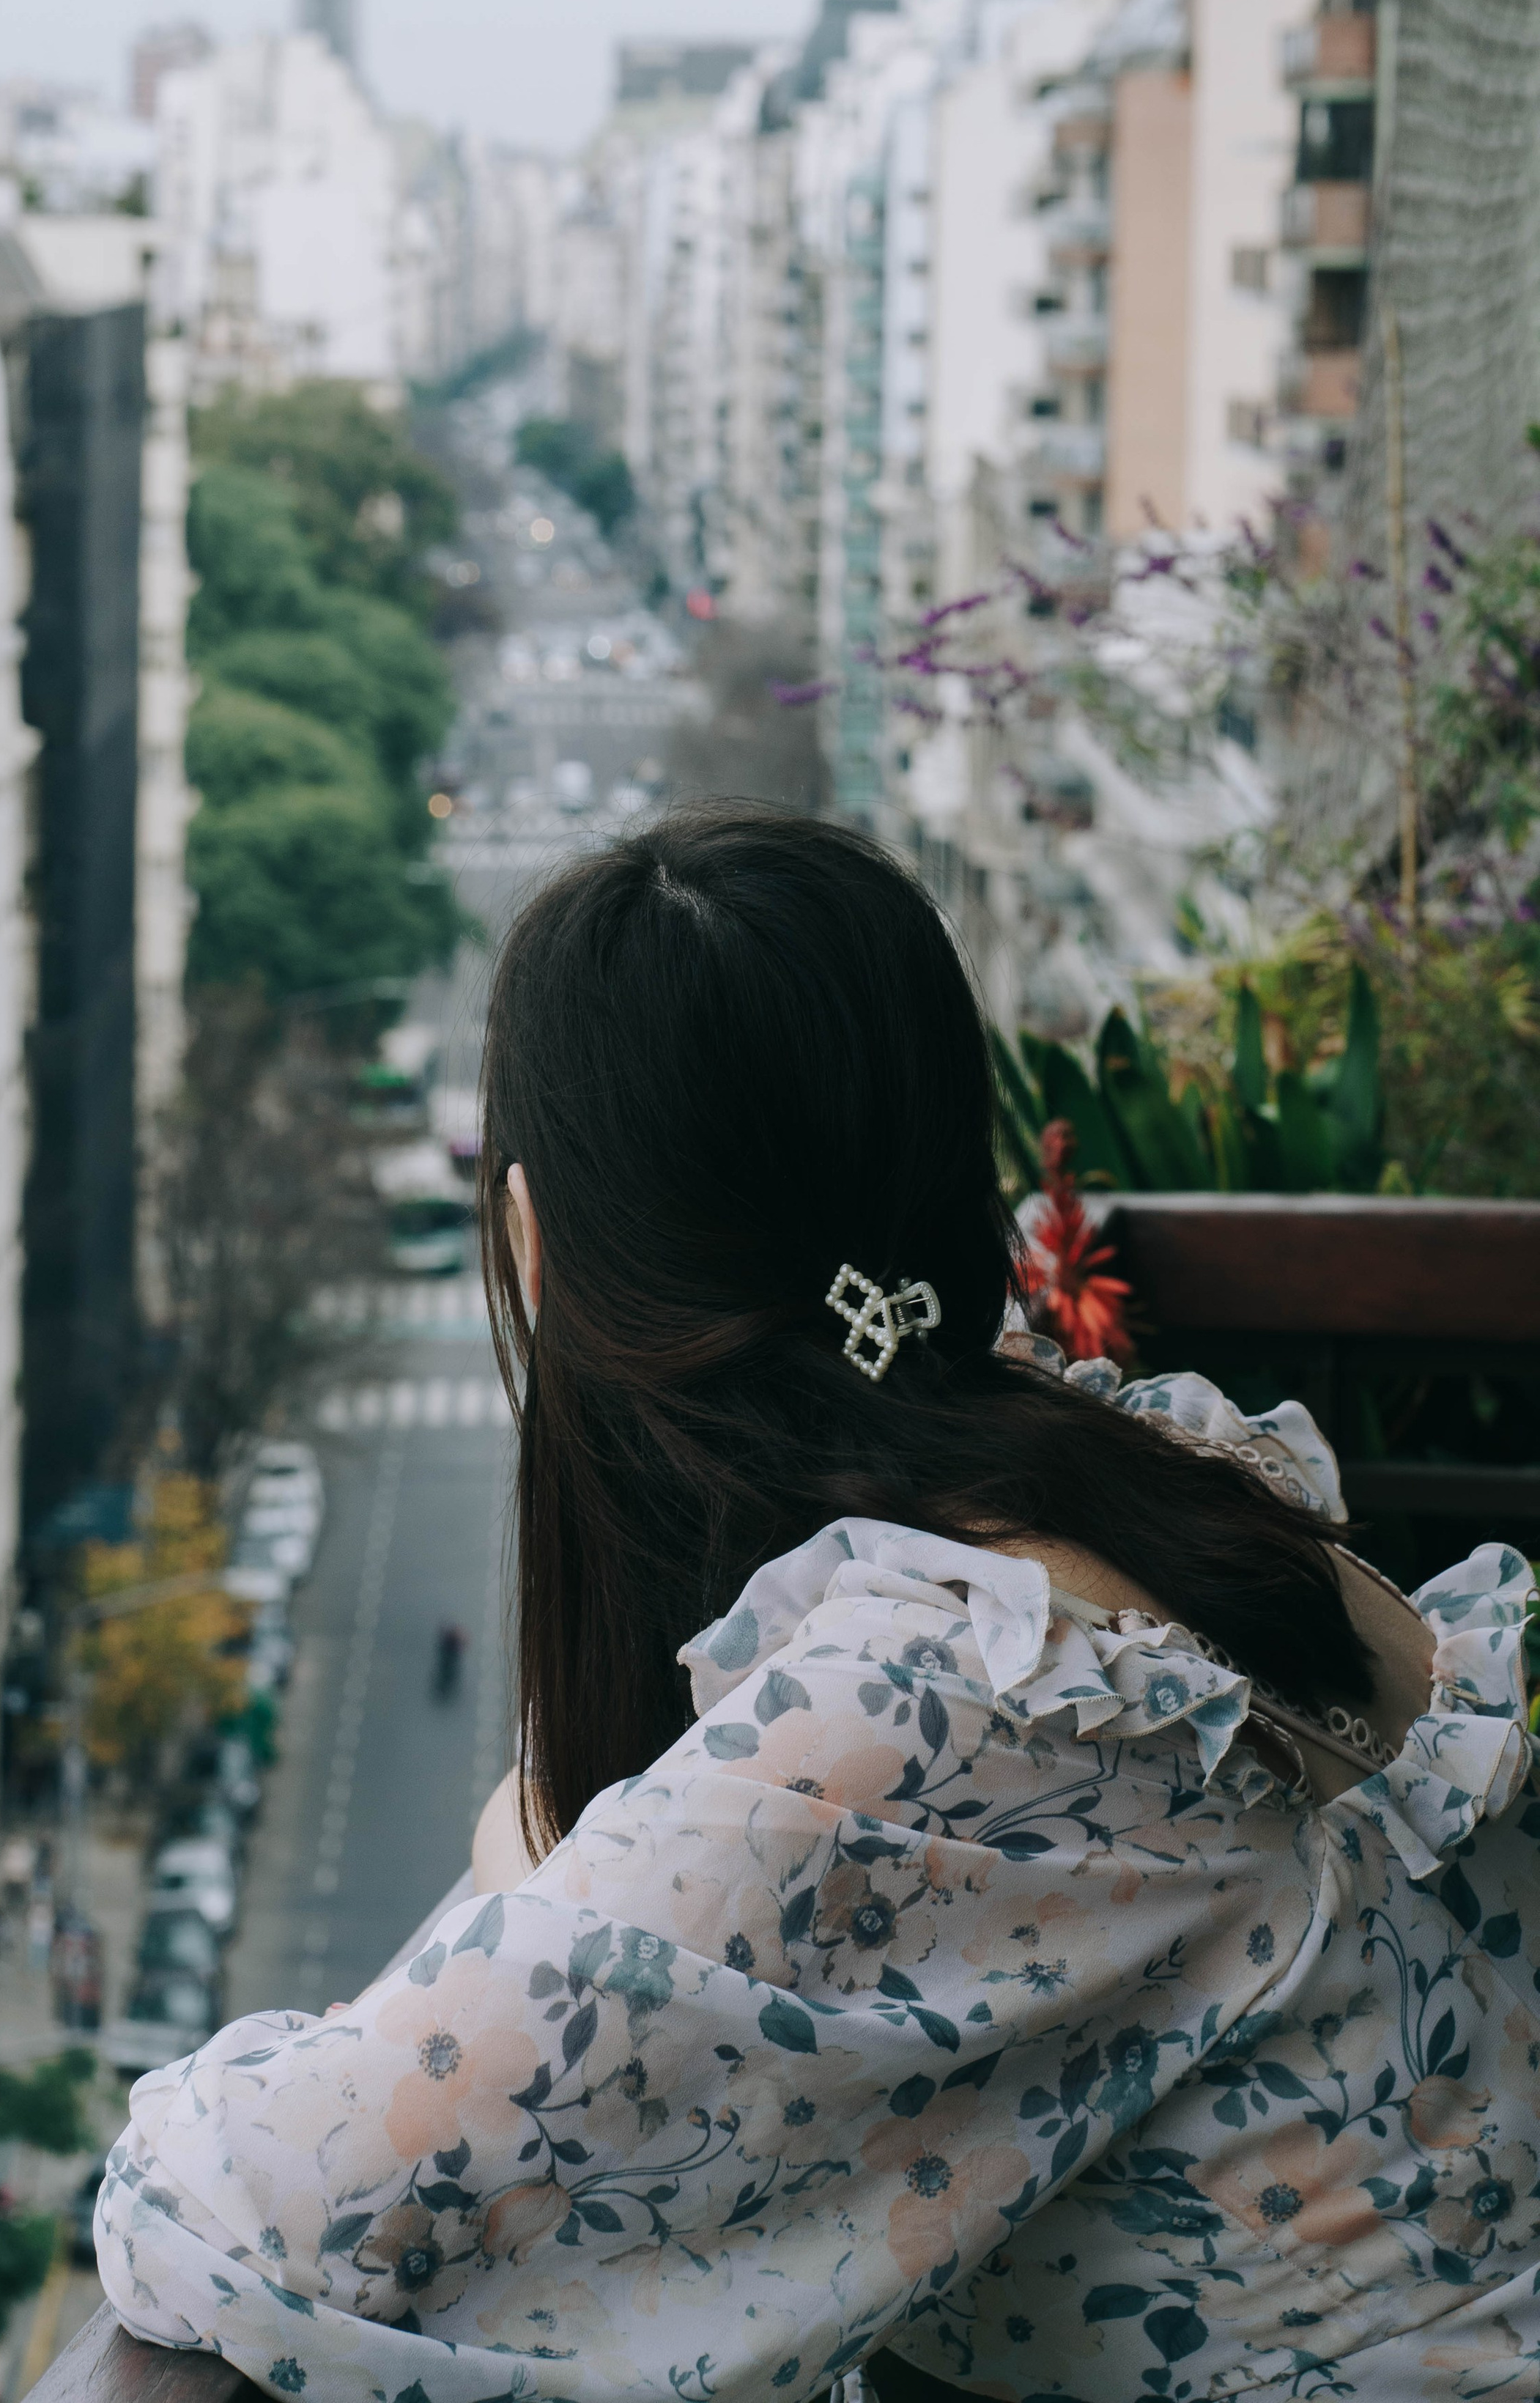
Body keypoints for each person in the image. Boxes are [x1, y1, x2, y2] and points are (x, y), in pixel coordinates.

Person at [96, 808, 1539, 2399]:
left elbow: (253, 2216)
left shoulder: (950, 1698)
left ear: (531, 1236)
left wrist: (534, 1875)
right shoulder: (1137, 1482)